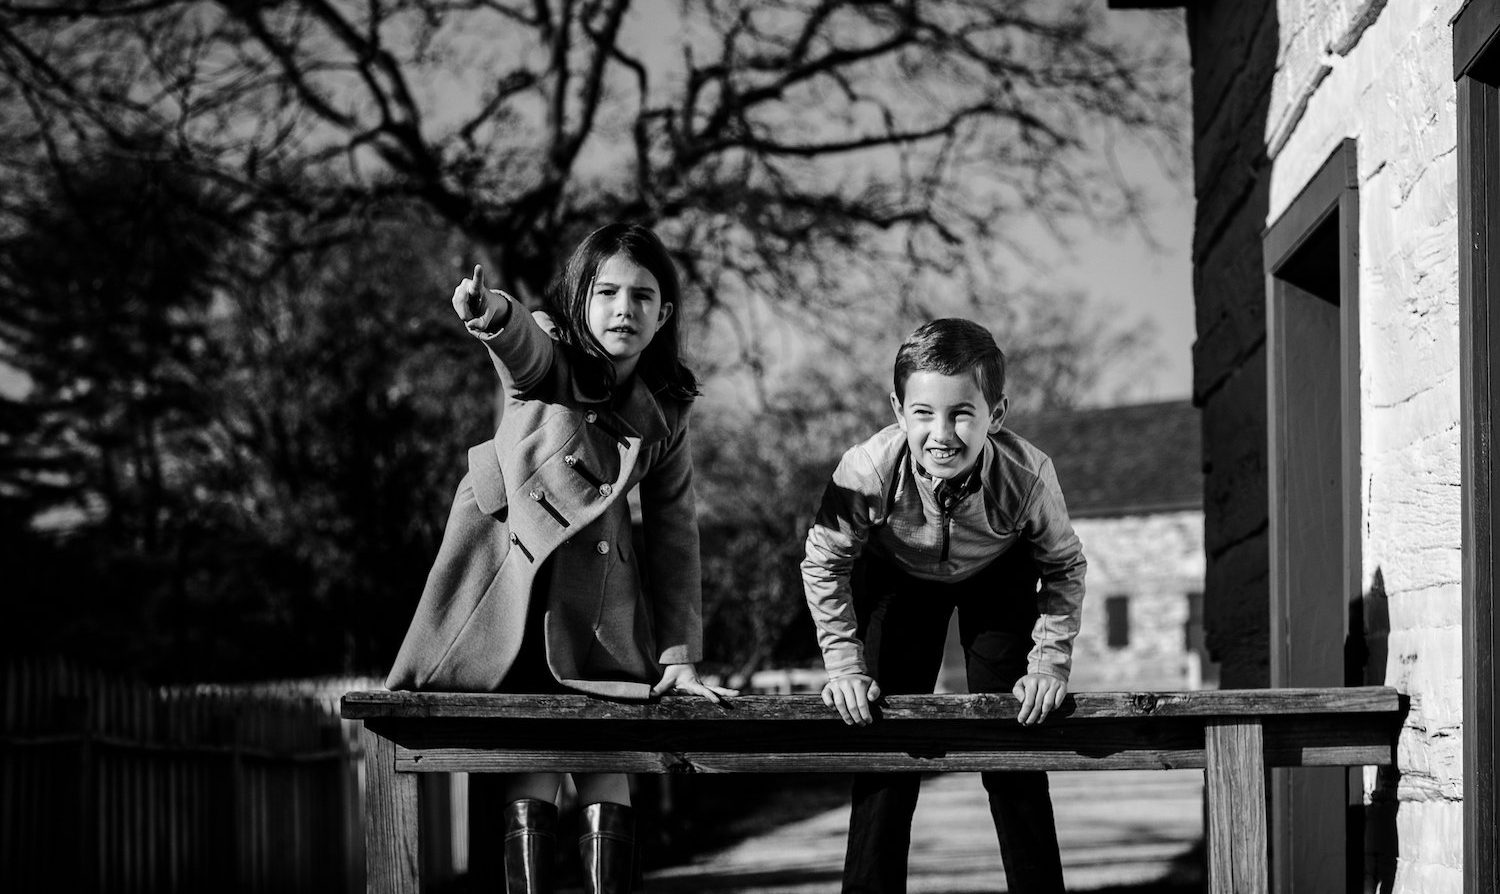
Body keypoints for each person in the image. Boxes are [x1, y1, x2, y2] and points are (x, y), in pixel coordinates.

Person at [386, 223, 735, 894]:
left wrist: (681, 656)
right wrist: (490, 315)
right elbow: (523, 348)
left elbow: (673, 533)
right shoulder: (553, 363)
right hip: (510, 580)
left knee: (609, 765)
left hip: (598, 596)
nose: (623, 309)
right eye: (606, 292)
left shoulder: (667, 409)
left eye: (642, 296)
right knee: (536, 764)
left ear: (664, 315)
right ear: (580, 301)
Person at [801, 318, 1087, 894]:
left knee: (1016, 733)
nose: (942, 432)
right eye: (924, 412)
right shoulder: (865, 471)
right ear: (898, 411)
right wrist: (844, 666)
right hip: (898, 576)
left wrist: (1048, 664)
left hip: (997, 575)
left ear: (995, 416)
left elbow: (1064, 566)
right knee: (883, 736)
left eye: (962, 412)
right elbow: (823, 562)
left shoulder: (1028, 476)